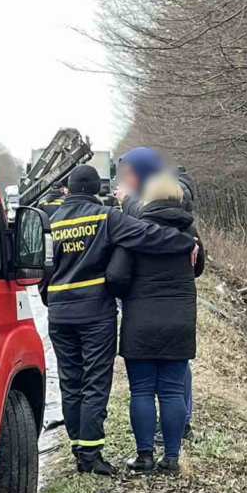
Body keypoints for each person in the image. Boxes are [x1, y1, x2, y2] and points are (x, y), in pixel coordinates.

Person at [42, 165, 198, 476]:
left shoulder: (51, 220)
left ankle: (78, 446)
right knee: (96, 382)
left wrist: (50, 297)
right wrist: (186, 243)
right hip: (94, 314)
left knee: (70, 382)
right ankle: (92, 454)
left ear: (68, 190)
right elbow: (146, 234)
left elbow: (43, 265)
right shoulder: (107, 218)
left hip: (60, 313)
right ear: (97, 192)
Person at [107, 172, 205, 475]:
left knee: (142, 391)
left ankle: (145, 457)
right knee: (173, 392)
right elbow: (198, 270)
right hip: (179, 322)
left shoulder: (135, 233)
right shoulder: (191, 235)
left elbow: (116, 277)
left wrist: (127, 293)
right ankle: (172, 459)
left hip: (141, 322)